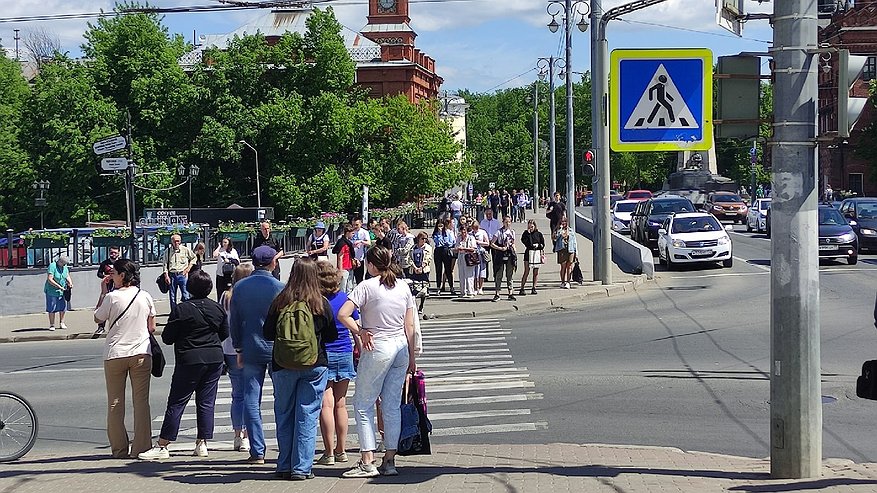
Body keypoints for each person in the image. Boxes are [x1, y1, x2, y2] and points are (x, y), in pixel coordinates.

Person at [337, 246, 418, 478]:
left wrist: (361, 331)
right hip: (400, 347)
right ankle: (389, 460)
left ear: (371, 265)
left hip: (377, 346)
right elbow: (410, 324)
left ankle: (367, 461)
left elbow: (342, 314)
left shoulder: (366, 286)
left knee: (363, 404)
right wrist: (412, 356)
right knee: (391, 405)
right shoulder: (403, 286)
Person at [262, 257, 338, 481]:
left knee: (284, 413)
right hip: (315, 364)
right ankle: (302, 468)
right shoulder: (320, 303)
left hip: (282, 365)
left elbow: (267, 333)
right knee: (307, 415)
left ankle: (284, 465)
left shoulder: (280, 301)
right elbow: (332, 336)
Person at [139, 269, 228, 460]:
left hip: (189, 359)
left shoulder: (182, 309)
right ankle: (202, 443)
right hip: (214, 357)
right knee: (206, 402)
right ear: (209, 288)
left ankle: (163, 445)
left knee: (177, 401)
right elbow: (224, 333)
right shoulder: (217, 308)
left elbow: (168, 337)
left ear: (189, 287)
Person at [228, 245, 285, 465]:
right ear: (273, 263)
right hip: (276, 348)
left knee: (251, 399)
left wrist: (238, 348)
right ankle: (284, 448)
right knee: (282, 398)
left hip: (250, 347)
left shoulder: (240, 287)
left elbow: (234, 321)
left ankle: (257, 450)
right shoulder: (279, 287)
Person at [94, 258, 156, 459]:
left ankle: (119, 449)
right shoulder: (145, 296)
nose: (110, 275)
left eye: (113, 273)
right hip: (141, 353)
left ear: (122, 275)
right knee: (141, 402)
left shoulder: (111, 297)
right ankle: (141, 447)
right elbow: (152, 327)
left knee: (115, 402)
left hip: (115, 354)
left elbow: (97, 318)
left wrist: (103, 292)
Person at [314, 261, 359, 467]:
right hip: (345, 352)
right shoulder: (344, 298)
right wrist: (359, 348)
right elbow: (355, 326)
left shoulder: (316, 300)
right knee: (341, 404)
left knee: (326, 404)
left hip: (324, 353)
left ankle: (329, 452)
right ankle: (342, 450)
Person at [220, 263, 254, 454]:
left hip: (228, 348)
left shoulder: (225, 296)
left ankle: (237, 435)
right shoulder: (248, 296)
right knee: (250, 393)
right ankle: (247, 437)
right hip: (247, 348)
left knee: (237, 394)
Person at [162, 234, 196, 315]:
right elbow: (164, 264)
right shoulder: (168, 251)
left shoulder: (185, 250)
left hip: (182, 275)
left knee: (185, 295)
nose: (176, 243)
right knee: (172, 296)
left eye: (178, 241)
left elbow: (194, 258)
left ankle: (186, 312)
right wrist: (166, 276)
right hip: (172, 275)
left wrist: (188, 269)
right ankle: (174, 313)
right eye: (175, 241)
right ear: (172, 242)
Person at [95, 246, 122, 334]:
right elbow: (99, 273)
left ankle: (118, 327)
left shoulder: (121, 263)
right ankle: (101, 327)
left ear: (118, 253)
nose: (113, 254)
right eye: (111, 252)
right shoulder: (104, 263)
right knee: (103, 306)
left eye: (115, 253)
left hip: (119, 287)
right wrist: (105, 276)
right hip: (107, 287)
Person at [490, 215, 517, 301]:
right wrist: (500, 248)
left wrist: (514, 248)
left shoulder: (512, 232)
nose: (508, 224)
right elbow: (492, 243)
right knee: (499, 274)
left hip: (509, 254)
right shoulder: (498, 232)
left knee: (510, 274)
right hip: (501, 254)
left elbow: (513, 242)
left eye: (509, 222)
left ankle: (510, 293)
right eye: (506, 222)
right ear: (503, 223)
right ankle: (497, 293)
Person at [406, 232, 433, 314]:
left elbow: (428, 259)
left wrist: (421, 268)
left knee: (423, 289)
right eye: (422, 238)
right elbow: (409, 258)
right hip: (414, 270)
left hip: (424, 271)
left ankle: (421, 306)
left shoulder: (428, 248)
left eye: (425, 239)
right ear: (418, 239)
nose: (424, 240)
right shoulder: (413, 247)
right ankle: (413, 305)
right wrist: (415, 268)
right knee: (413, 288)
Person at [45, 254, 72, 330]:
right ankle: (52, 325)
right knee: (52, 307)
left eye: (65, 264)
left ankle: (62, 323)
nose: (64, 265)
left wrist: (70, 282)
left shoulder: (64, 267)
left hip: (62, 290)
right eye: (63, 264)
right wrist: (58, 286)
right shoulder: (52, 266)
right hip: (52, 290)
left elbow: (67, 275)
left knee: (62, 307)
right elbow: (50, 279)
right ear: (60, 261)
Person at [519, 219, 545, 295]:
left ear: (535, 226)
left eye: (532, 226)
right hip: (528, 253)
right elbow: (526, 243)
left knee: (535, 272)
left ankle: (534, 287)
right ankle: (522, 288)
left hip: (536, 253)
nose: (531, 228)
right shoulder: (525, 234)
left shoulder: (539, 234)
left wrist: (538, 245)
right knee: (526, 271)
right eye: (529, 226)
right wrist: (529, 234)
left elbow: (543, 244)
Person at [333, 224, 357, 294]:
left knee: (349, 287)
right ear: (348, 233)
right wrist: (340, 270)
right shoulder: (343, 243)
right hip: (344, 268)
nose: (353, 235)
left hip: (349, 267)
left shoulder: (348, 243)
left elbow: (350, 254)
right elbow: (340, 257)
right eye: (352, 233)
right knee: (343, 288)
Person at [431, 219, 454, 294]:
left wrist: (444, 240)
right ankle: (438, 287)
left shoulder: (448, 232)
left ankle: (451, 287)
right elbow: (437, 242)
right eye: (439, 225)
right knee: (438, 270)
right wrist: (440, 233)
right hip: (438, 251)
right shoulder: (435, 233)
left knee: (448, 270)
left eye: (442, 225)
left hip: (445, 250)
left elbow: (450, 243)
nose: (440, 227)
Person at [456, 224, 478, 298]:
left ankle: (470, 292)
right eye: (462, 231)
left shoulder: (471, 238)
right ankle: (462, 292)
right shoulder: (459, 238)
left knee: (469, 275)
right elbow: (456, 247)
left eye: (464, 231)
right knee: (461, 275)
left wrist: (464, 249)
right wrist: (457, 249)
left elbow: (473, 249)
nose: (463, 233)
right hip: (461, 256)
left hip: (468, 256)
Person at [555, 216, 576, 289]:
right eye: (562, 222)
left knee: (569, 266)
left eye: (564, 221)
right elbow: (555, 238)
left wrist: (576, 252)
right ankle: (563, 282)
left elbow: (574, 242)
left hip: (570, 249)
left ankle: (568, 282)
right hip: (562, 249)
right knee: (563, 266)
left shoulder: (571, 230)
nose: (563, 223)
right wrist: (560, 231)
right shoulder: (558, 230)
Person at [471, 220, 490, 295]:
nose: (475, 229)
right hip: (474, 253)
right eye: (474, 228)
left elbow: (487, 243)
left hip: (481, 253)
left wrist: (479, 242)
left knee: (482, 271)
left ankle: (480, 288)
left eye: (476, 227)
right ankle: (475, 288)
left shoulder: (483, 232)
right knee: (475, 272)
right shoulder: (471, 233)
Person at [351, 216, 372, 284]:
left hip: (359, 259)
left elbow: (369, 243)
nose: (355, 226)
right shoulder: (350, 231)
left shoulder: (364, 232)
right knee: (349, 280)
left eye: (356, 225)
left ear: (361, 224)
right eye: (353, 225)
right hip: (350, 258)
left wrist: (361, 241)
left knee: (359, 279)